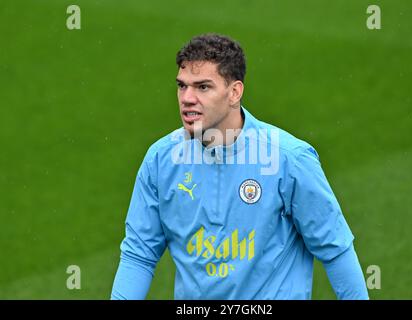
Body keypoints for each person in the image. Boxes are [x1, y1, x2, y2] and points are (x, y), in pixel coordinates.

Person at [111, 33, 369, 300]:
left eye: (202, 87)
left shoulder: (289, 159)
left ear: (234, 92)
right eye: (181, 86)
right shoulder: (160, 160)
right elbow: (139, 254)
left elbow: (335, 250)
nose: (187, 98)